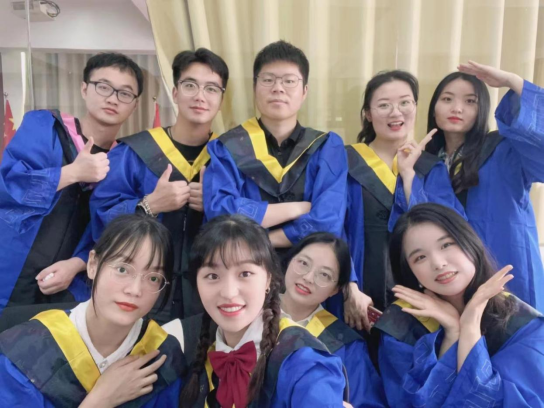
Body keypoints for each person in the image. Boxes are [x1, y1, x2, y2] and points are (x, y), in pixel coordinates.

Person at [90, 48, 229, 323]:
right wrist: (149, 205)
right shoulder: (133, 152)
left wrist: (216, 207)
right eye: (190, 85)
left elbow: (247, 227)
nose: (200, 96)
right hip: (141, 290)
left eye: (211, 88)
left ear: (221, 99)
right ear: (175, 93)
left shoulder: (228, 159)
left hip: (210, 293)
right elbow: (99, 218)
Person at [0, 53, 143, 313]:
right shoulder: (46, 127)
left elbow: (111, 226)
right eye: (103, 87)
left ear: (134, 105)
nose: (112, 99)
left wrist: (77, 263)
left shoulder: (125, 160)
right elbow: (8, 187)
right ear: (84, 89)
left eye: (125, 93)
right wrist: (72, 173)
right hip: (10, 270)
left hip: (69, 288)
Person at [0, 214, 186, 407]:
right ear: (92, 265)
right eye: (122, 269)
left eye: (153, 278)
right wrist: (100, 400)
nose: (135, 290)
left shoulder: (163, 357)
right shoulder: (28, 351)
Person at [164, 214, 348, 407]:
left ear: (268, 279)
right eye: (212, 276)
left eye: (245, 274)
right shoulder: (189, 348)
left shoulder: (303, 362)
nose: (229, 293)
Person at [376, 203, 544, 407]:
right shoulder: (400, 327)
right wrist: (453, 333)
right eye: (420, 257)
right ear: (410, 271)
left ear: (470, 243)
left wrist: (470, 325)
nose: (438, 263)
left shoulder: (522, 324)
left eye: (446, 245)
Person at [343, 70, 465, 330]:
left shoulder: (431, 167)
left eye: (405, 102)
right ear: (368, 114)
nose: (395, 112)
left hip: (424, 291)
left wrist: (409, 178)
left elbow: (452, 230)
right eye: (384, 105)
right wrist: (348, 285)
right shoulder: (345, 162)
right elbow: (332, 229)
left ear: (416, 107)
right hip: (358, 290)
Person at [203, 40, 348, 252]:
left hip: (309, 266)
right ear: (254, 88)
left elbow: (327, 220)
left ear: (304, 91)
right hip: (246, 266)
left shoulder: (326, 147)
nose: (278, 88)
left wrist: (264, 241)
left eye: (289, 81)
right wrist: (296, 208)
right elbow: (220, 212)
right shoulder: (227, 148)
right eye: (268, 80)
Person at [426, 61, 544, 311]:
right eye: (447, 99)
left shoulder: (504, 149)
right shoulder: (423, 162)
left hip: (510, 273)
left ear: (482, 110)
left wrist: (513, 81)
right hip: (450, 280)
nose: (457, 108)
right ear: (433, 108)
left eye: (470, 101)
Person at [281, 232, 386, 407]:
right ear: (290, 261)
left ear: (335, 290)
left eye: (324, 275)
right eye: (303, 263)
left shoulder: (344, 345)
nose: (308, 278)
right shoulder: (249, 311)